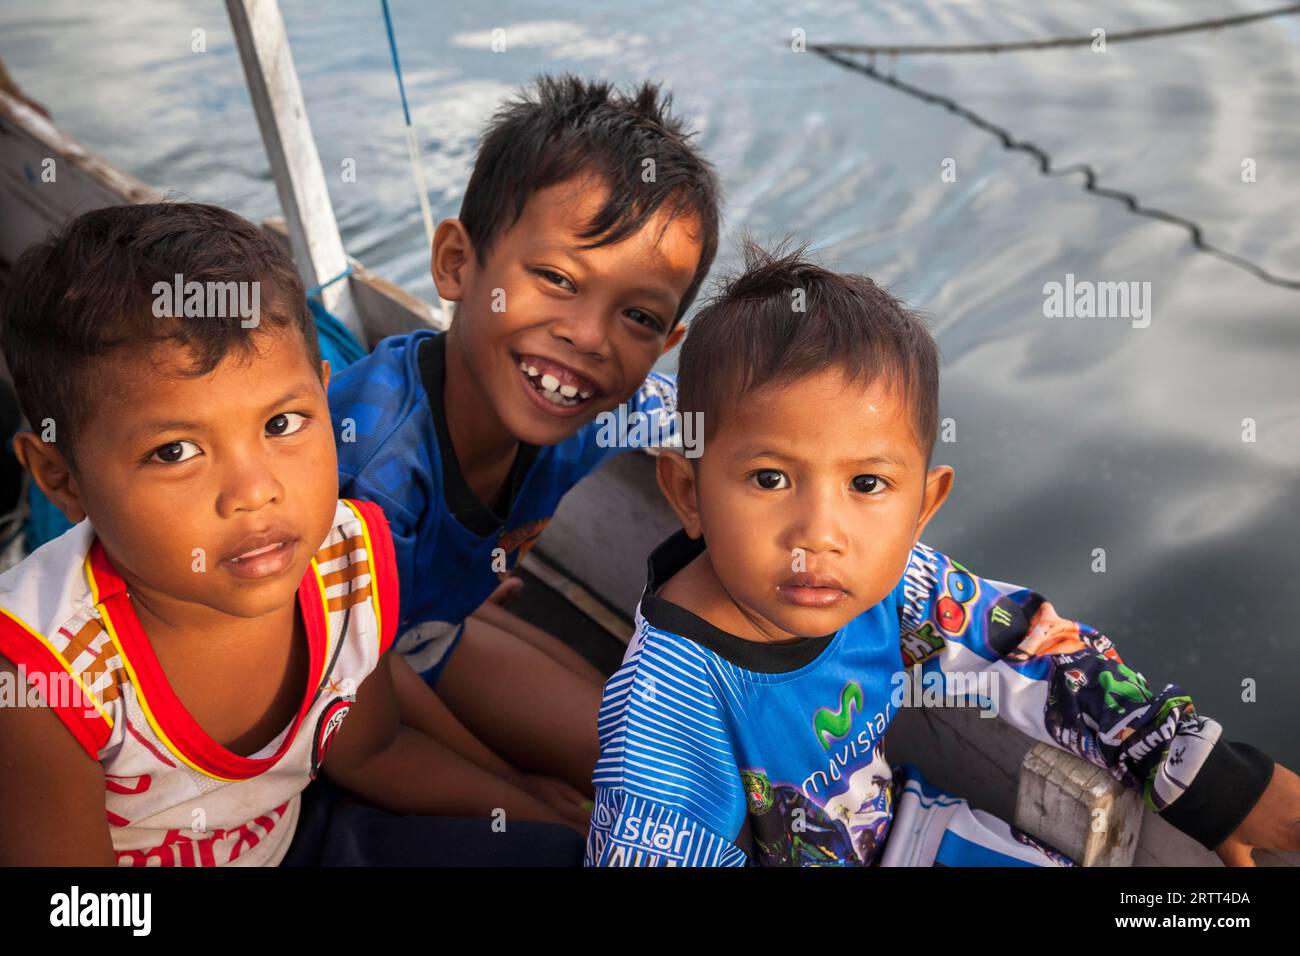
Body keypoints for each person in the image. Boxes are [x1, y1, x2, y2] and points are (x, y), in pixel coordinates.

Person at [584, 242, 1300, 866]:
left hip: (906, 837)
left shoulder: (894, 581)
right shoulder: (667, 713)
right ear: (687, 492)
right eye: (769, 478)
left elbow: (1034, 647)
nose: (821, 533)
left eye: (867, 484)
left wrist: (1212, 784)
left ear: (923, 506)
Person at [0, 202, 585, 866]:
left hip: (302, 838)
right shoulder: (46, 678)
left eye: (282, 425)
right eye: (174, 452)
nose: (255, 492)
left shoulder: (342, 561)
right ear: (61, 477)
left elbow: (374, 751)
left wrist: (531, 812)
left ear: (325, 397)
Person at [329, 74, 721, 796]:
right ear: (456, 264)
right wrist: (512, 787)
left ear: (668, 341)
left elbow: (713, 427)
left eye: (638, 317)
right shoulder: (370, 468)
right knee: (564, 806)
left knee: (637, 758)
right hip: (340, 682)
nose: (588, 337)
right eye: (557, 278)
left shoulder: (599, 407)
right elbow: (353, 699)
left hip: (425, 629)